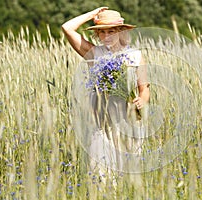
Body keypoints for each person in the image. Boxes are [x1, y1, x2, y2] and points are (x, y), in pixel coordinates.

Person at [62, 7, 150, 174]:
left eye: (111, 31)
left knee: (130, 172)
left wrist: (142, 100)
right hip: (101, 122)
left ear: (121, 32)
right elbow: (67, 28)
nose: (106, 36)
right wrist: (91, 15)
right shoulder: (94, 53)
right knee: (101, 173)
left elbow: (144, 89)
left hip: (130, 121)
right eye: (102, 32)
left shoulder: (136, 55)